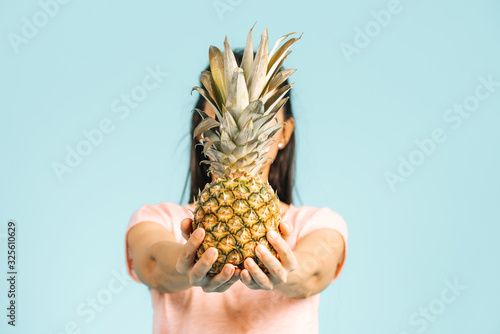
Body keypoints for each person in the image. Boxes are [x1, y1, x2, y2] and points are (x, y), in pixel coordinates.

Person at [125, 50, 348, 334]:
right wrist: (187, 266)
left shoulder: (318, 222)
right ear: (203, 131)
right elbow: (153, 264)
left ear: (285, 133)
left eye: (265, 120)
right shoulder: (159, 219)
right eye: (218, 123)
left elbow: (314, 273)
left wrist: (283, 273)